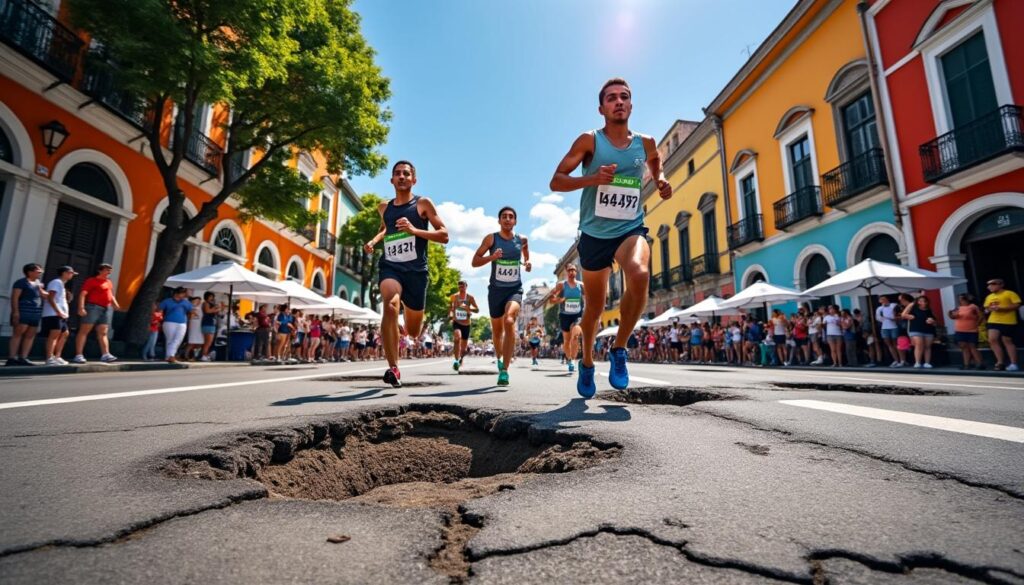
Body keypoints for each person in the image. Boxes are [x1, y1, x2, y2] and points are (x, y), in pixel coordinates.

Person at [549, 77, 672, 397]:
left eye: (625, 97)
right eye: (612, 98)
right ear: (601, 108)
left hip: (630, 227)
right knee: (595, 308)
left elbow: (656, 161)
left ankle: (619, 349)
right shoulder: (589, 141)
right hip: (593, 234)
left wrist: (660, 179)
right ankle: (587, 362)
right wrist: (591, 179)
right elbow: (557, 181)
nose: (619, 102)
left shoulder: (644, 143)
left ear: (631, 105)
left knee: (640, 273)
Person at [364, 160, 449, 387]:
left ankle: (402, 323)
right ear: (391, 180)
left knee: (413, 331)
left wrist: (414, 230)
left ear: (414, 180)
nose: (401, 176)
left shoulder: (422, 204)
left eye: (406, 173)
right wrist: (373, 241)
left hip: (416, 273)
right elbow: (385, 229)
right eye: (397, 174)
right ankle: (394, 368)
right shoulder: (384, 208)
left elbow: (444, 235)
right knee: (389, 305)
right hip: (390, 266)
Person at [472, 206, 530, 386]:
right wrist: (492, 257)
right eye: (504, 217)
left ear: (515, 221)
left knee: (510, 320)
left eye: (511, 217)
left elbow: (526, 255)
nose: (507, 219)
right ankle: (499, 357)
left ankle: (504, 370)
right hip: (496, 291)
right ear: (499, 221)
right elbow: (474, 262)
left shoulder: (522, 239)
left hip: (514, 289)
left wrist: (527, 262)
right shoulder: (491, 238)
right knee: (497, 333)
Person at [72, 263, 119, 364]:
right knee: (84, 331)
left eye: (110, 270)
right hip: (93, 307)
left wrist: (115, 304)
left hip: (106, 308)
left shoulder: (108, 282)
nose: (109, 272)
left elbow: (110, 294)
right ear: (100, 270)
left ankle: (106, 354)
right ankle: (79, 355)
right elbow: (83, 294)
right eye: (107, 270)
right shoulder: (91, 281)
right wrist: (81, 307)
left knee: (103, 332)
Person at [7, 263, 50, 366]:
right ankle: (12, 358)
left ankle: (23, 357)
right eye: (38, 271)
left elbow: (44, 296)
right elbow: (15, 298)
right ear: (30, 272)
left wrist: (41, 288)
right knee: (18, 334)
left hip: (35, 312)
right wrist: (15, 312)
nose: (40, 273)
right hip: (23, 311)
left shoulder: (38, 283)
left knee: (30, 335)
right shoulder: (21, 283)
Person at [549, 265, 584, 372]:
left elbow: (587, 298)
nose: (571, 272)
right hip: (564, 315)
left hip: (577, 314)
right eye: (569, 270)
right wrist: (561, 300)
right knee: (567, 340)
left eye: (573, 270)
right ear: (566, 272)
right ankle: (569, 358)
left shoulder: (581, 285)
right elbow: (551, 299)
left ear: (576, 272)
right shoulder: (561, 285)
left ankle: (573, 359)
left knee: (576, 335)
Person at [983, 278, 1020, 371]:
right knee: (992, 339)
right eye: (989, 285)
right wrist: (988, 310)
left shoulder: (1009, 293)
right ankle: (1000, 362)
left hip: (1008, 320)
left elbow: (1017, 305)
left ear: (1001, 284)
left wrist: (1002, 308)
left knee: (1007, 340)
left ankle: (1013, 363)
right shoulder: (989, 297)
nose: (990, 286)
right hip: (993, 320)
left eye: (993, 284)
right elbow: (986, 308)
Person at [41, 266, 76, 365]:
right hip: (54, 314)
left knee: (65, 333)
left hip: (62, 314)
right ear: (64, 273)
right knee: (54, 335)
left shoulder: (61, 284)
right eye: (70, 273)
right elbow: (50, 298)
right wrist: (58, 311)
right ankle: (49, 357)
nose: (72, 275)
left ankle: (57, 356)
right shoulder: (56, 282)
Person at [158, 287, 194, 364]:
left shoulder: (186, 302)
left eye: (184, 293)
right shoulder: (167, 301)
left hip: (182, 323)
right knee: (170, 340)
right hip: (169, 322)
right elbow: (160, 311)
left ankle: (170, 356)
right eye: (183, 293)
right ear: (176, 293)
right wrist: (158, 321)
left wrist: (189, 320)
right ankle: (170, 356)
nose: (184, 295)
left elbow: (191, 311)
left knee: (178, 340)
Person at [449, 280, 478, 371]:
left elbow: (477, 309)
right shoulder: (453, 297)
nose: (461, 288)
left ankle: (461, 359)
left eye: (463, 286)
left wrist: (469, 308)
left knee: (464, 348)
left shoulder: (470, 298)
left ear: (466, 286)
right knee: (457, 338)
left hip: (466, 323)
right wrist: (450, 314)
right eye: (459, 286)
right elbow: (450, 308)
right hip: (456, 321)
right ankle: (456, 360)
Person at [949, 293, 983, 370]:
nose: (960, 300)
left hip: (972, 330)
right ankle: (966, 364)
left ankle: (980, 363)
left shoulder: (973, 307)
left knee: (973, 347)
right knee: (964, 347)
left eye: (962, 298)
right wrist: (952, 314)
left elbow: (981, 316)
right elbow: (953, 317)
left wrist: (977, 324)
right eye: (960, 298)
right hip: (960, 330)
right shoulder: (958, 308)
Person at [901, 295, 937, 368]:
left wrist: (932, 321)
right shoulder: (913, 306)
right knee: (919, 344)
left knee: (927, 346)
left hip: (928, 329)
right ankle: (917, 362)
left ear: (927, 302)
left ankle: (927, 363)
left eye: (924, 301)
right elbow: (903, 314)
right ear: (917, 301)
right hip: (915, 328)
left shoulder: (929, 309)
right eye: (920, 301)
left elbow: (935, 321)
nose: (922, 302)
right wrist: (909, 316)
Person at [875, 295, 902, 367]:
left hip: (894, 326)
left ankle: (901, 360)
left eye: (884, 299)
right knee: (889, 344)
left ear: (887, 299)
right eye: (881, 299)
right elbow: (878, 318)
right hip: (884, 327)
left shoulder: (893, 305)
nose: (882, 300)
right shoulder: (879, 308)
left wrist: (893, 318)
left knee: (896, 343)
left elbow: (899, 313)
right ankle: (896, 360)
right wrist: (884, 319)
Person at [199, 292, 222, 362]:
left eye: (212, 296)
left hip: (212, 323)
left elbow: (216, 313)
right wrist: (216, 308)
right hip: (207, 323)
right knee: (208, 342)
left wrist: (217, 309)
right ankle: (204, 355)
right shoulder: (206, 303)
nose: (212, 298)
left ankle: (205, 355)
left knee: (209, 342)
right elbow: (208, 311)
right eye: (210, 296)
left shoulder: (212, 304)